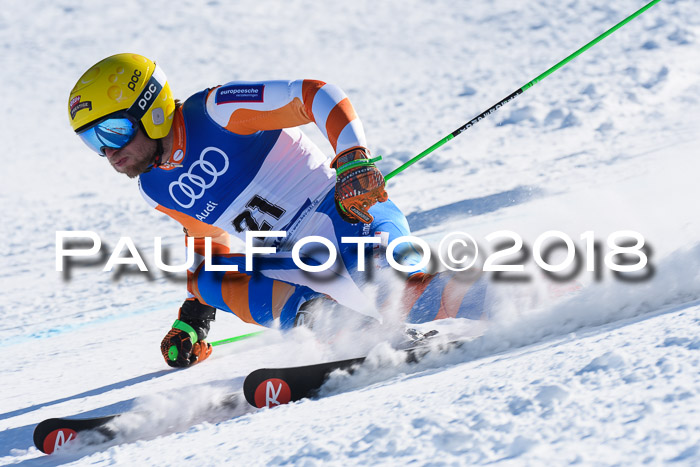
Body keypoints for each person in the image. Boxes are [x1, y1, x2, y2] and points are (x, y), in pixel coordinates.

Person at [68, 53, 487, 368]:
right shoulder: (153, 186)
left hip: (345, 216)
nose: (108, 151)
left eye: (114, 130)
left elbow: (315, 95)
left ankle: (516, 296)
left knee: (406, 293)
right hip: (293, 263)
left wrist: (353, 158)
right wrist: (195, 315)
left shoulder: (218, 111)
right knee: (204, 276)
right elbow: (206, 240)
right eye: (92, 140)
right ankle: (326, 321)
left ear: (151, 109)